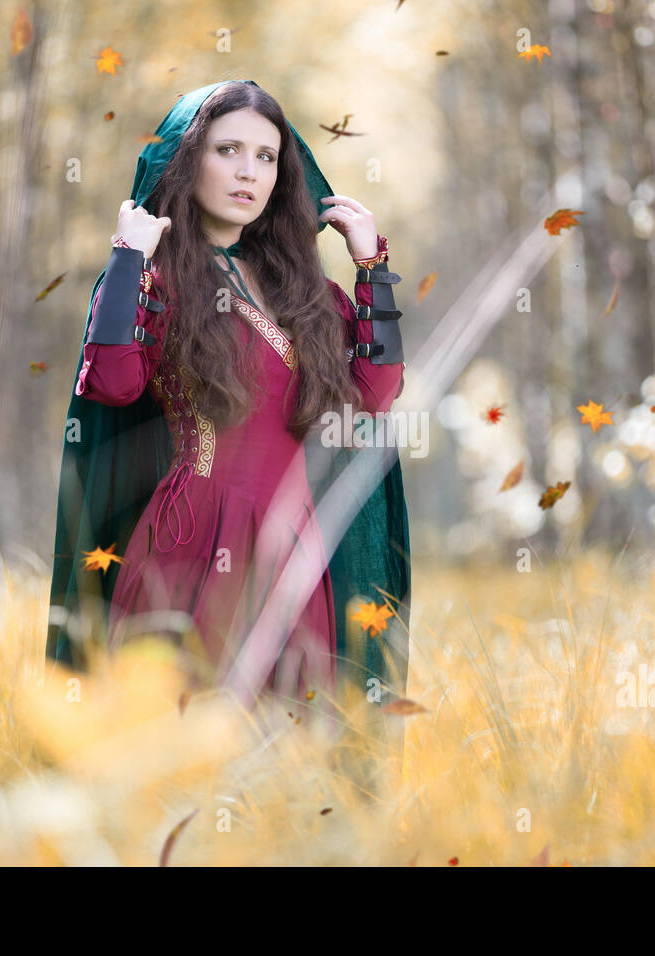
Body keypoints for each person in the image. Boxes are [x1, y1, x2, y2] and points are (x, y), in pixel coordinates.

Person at [45, 81, 412, 728]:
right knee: (187, 760)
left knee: (297, 767)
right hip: (194, 542)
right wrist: (129, 255)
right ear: (188, 161)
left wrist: (371, 267)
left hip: (297, 557)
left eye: (267, 157)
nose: (248, 171)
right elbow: (111, 383)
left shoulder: (307, 292)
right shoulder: (156, 278)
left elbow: (374, 394)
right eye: (228, 149)